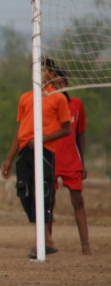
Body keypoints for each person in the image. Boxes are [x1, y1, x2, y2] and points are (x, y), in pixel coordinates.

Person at [0, 65, 70, 257]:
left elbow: (66, 129)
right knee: (25, 192)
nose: (42, 73)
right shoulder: (25, 97)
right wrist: (8, 158)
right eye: (40, 69)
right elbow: (20, 129)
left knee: (44, 193)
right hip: (24, 150)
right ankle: (45, 239)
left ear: (52, 75)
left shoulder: (58, 97)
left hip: (45, 151)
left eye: (46, 70)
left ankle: (45, 241)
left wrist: (42, 139)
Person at [50, 73, 92, 255]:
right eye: (55, 84)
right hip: (51, 158)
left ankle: (85, 245)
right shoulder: (47, 104)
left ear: (67, 84)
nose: (58, 86)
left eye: (61, 83)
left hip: (71, 160)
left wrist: (82, 161)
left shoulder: (76, 105)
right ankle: (47, 244)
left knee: (78, 201)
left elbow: (80, 134)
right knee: (48, 202)